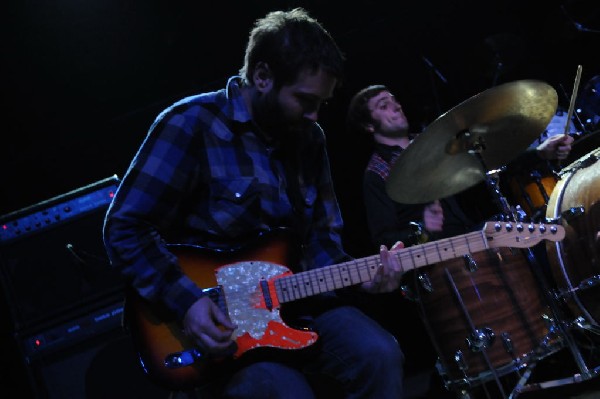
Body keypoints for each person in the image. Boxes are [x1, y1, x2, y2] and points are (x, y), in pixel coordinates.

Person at [103, 9, 405, 399]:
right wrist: (188, 304)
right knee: (282, 390)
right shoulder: (191, 123)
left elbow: (321, 240)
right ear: (262, 77)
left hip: (297, 304)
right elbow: (124, 227)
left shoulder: (309, 138)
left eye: (322, 104)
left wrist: (362, 276)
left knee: (379, 354)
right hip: (217, 326)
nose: (314, 115)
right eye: (305, 100)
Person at [346, 84, 574, 249]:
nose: (396, 107)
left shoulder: (430, 145)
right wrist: (422, 230)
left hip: (472, 235)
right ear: (368, 125)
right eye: (384, 106)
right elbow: (384, 239)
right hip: (440, 260)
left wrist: (540, 153)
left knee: (541, 232)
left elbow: (488, 163)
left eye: (395, 100)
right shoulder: (377, 172)